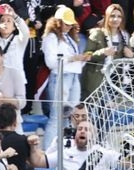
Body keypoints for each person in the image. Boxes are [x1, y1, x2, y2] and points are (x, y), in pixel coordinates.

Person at [41, 6, 87, 150]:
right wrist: (73, 58)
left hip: (73, 76)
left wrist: (82, 59)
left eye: (70, 24)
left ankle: (66, 152)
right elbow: (51, 62)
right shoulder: (51, 37)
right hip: (61, 76)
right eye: (66, 23)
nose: (69, 26)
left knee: (71, 117)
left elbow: (72, 61)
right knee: (57, 117)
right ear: (58, 22)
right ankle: (48, 155)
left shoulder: (70, 37)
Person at [81, 4, 134, 100]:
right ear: (107, 17)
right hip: (98, 79)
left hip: (116, 80)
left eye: (119, 17)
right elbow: (86, 56)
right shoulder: (97, 33)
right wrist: (103, 52)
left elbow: (129, 59)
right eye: (112, 16)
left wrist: (131, 55)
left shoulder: (125, 36)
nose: (115, 19)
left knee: (110, 112)